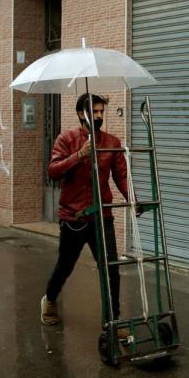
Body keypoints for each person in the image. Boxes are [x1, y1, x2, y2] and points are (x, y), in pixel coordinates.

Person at [41, 93, 131, 332]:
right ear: (82, 114)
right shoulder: (67, 139)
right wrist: (79, 155)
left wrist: (133, 200)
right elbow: (53, 171)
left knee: (110, 267)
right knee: (65, 265)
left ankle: (113, 321)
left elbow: (121, 175)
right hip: (74, 217)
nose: (99, 116)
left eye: (102, 112)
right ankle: (49, 299)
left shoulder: (112, 142)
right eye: (95, 112)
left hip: (102, 215)